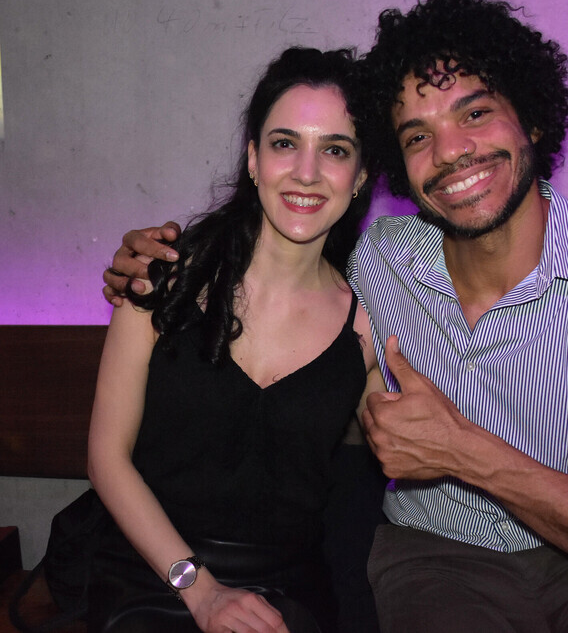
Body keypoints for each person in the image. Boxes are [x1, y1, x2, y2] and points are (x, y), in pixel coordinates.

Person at [102, 0, 568, 632]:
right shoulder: (379, 267)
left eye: (474, 112)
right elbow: (272, 269)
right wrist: (152, 259)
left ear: (531, 117)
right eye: (416, 135)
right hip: (441, 557)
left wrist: (464, 451)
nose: (451, 152)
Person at [88, 47, 386, 633]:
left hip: (284, 590)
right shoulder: (162, 279)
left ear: (361, 176)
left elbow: (399, 465)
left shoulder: (367, 329)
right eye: (284, 143)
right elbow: (106, 460)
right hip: (152, 571)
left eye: (334, 149)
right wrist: (200, 592)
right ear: (253, 159)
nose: (306, 172)